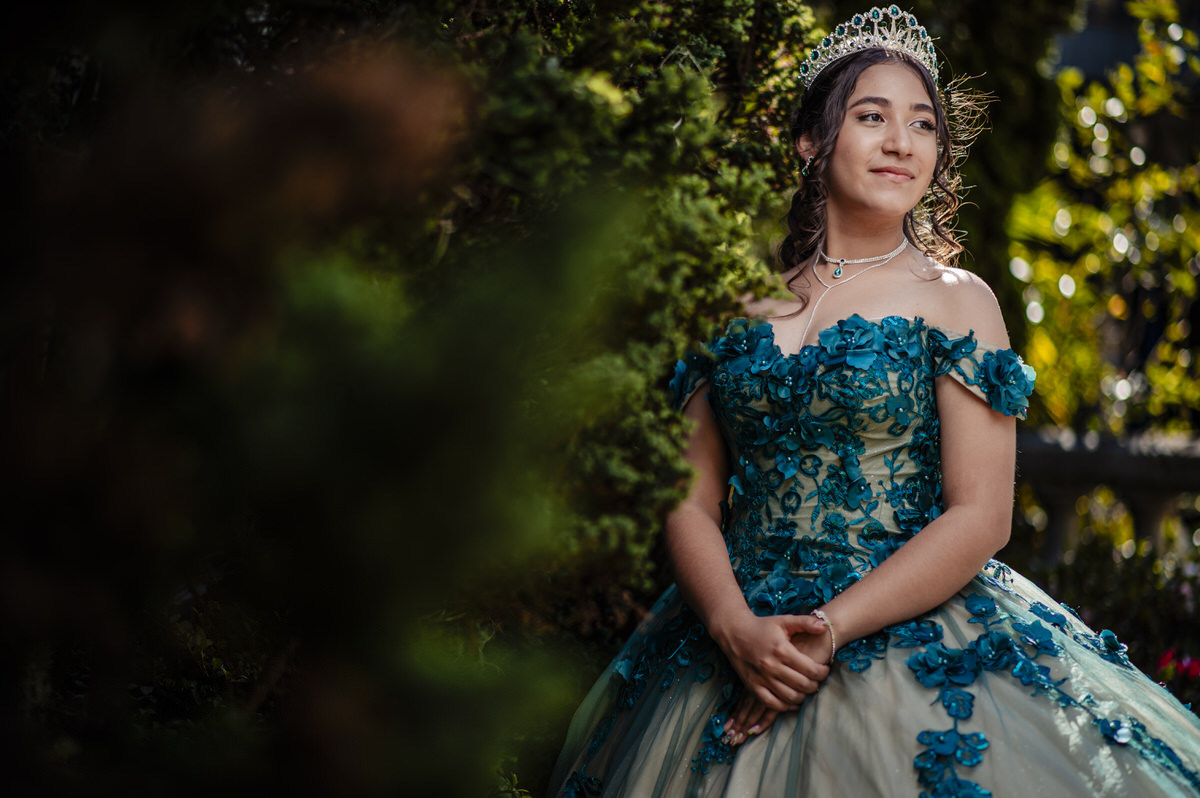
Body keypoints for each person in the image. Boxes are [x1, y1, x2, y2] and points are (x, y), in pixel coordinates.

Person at [548, 6, 1200, 796]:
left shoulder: (956, 300)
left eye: (922, 125)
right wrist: (731, 624)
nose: (901, 141)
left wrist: (828, 632)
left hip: (900, 632)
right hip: (731, 636)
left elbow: (982, 515)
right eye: (872, 116)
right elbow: (687, 493)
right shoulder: (735, 302)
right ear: (810, 141)